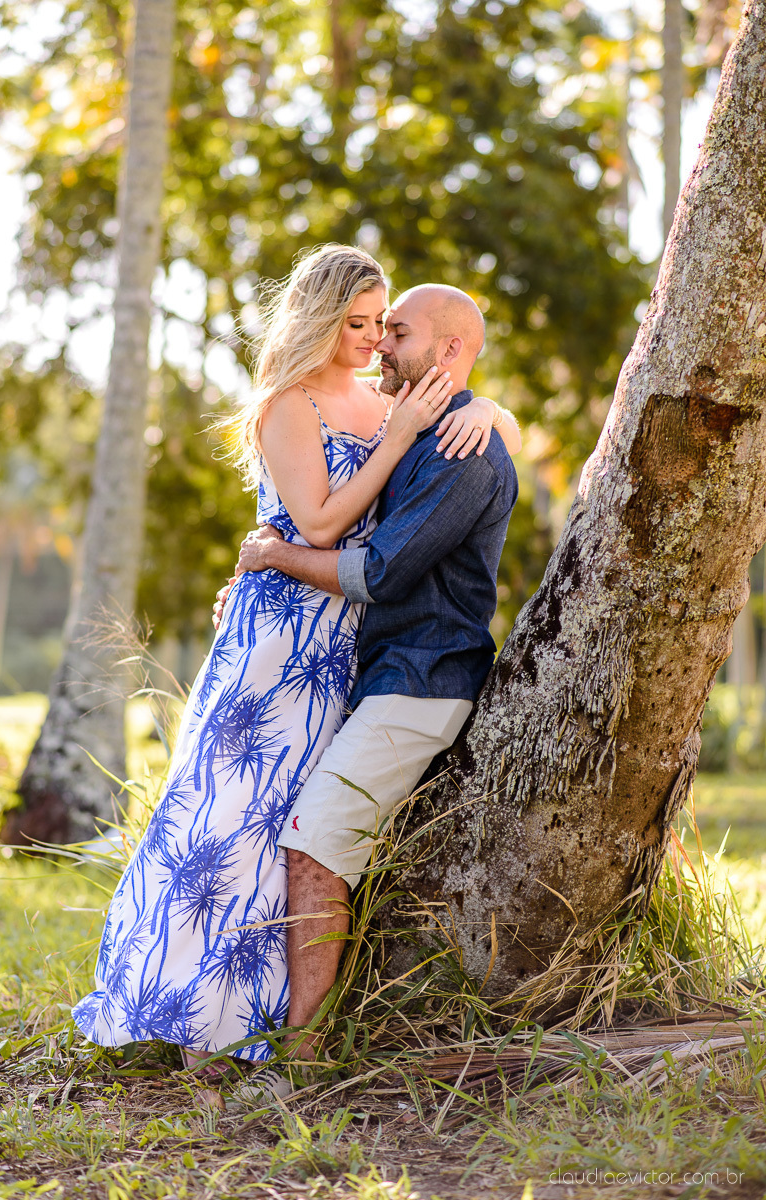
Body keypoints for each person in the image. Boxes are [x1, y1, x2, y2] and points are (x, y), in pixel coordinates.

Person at [71, 245, 515, 1073]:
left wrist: (489, 409)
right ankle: (186, 1013)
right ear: (318, 319)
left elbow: (474, 437)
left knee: (287, 825)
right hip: (281, 635)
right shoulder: (291, 403)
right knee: (224, 817)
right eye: (357, 325)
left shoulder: (390, 405)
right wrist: (399, 438)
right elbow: (314, 527)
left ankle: (250, 1020)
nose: (373, 341)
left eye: (383, 326)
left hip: (344, 641)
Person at [229, 282, 519, 1078]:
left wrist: (276, 558)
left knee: (313, 847)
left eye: (397, 331)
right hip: (378, 677)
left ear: (450, 351)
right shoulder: (425, 430)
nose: (381, 344)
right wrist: (489, 405)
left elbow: (380, 571)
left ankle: (305, 1060)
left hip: (420, 682)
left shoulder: (465, 450)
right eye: (377, 328)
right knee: (301, 841)